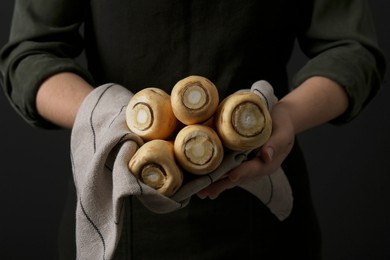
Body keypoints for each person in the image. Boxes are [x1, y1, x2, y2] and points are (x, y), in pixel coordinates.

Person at [0, 0, 386, 259]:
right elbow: (32, 52)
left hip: (261, 216)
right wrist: (114, 118)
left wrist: (284, 116)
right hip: (120, 220)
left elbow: (351, 48)